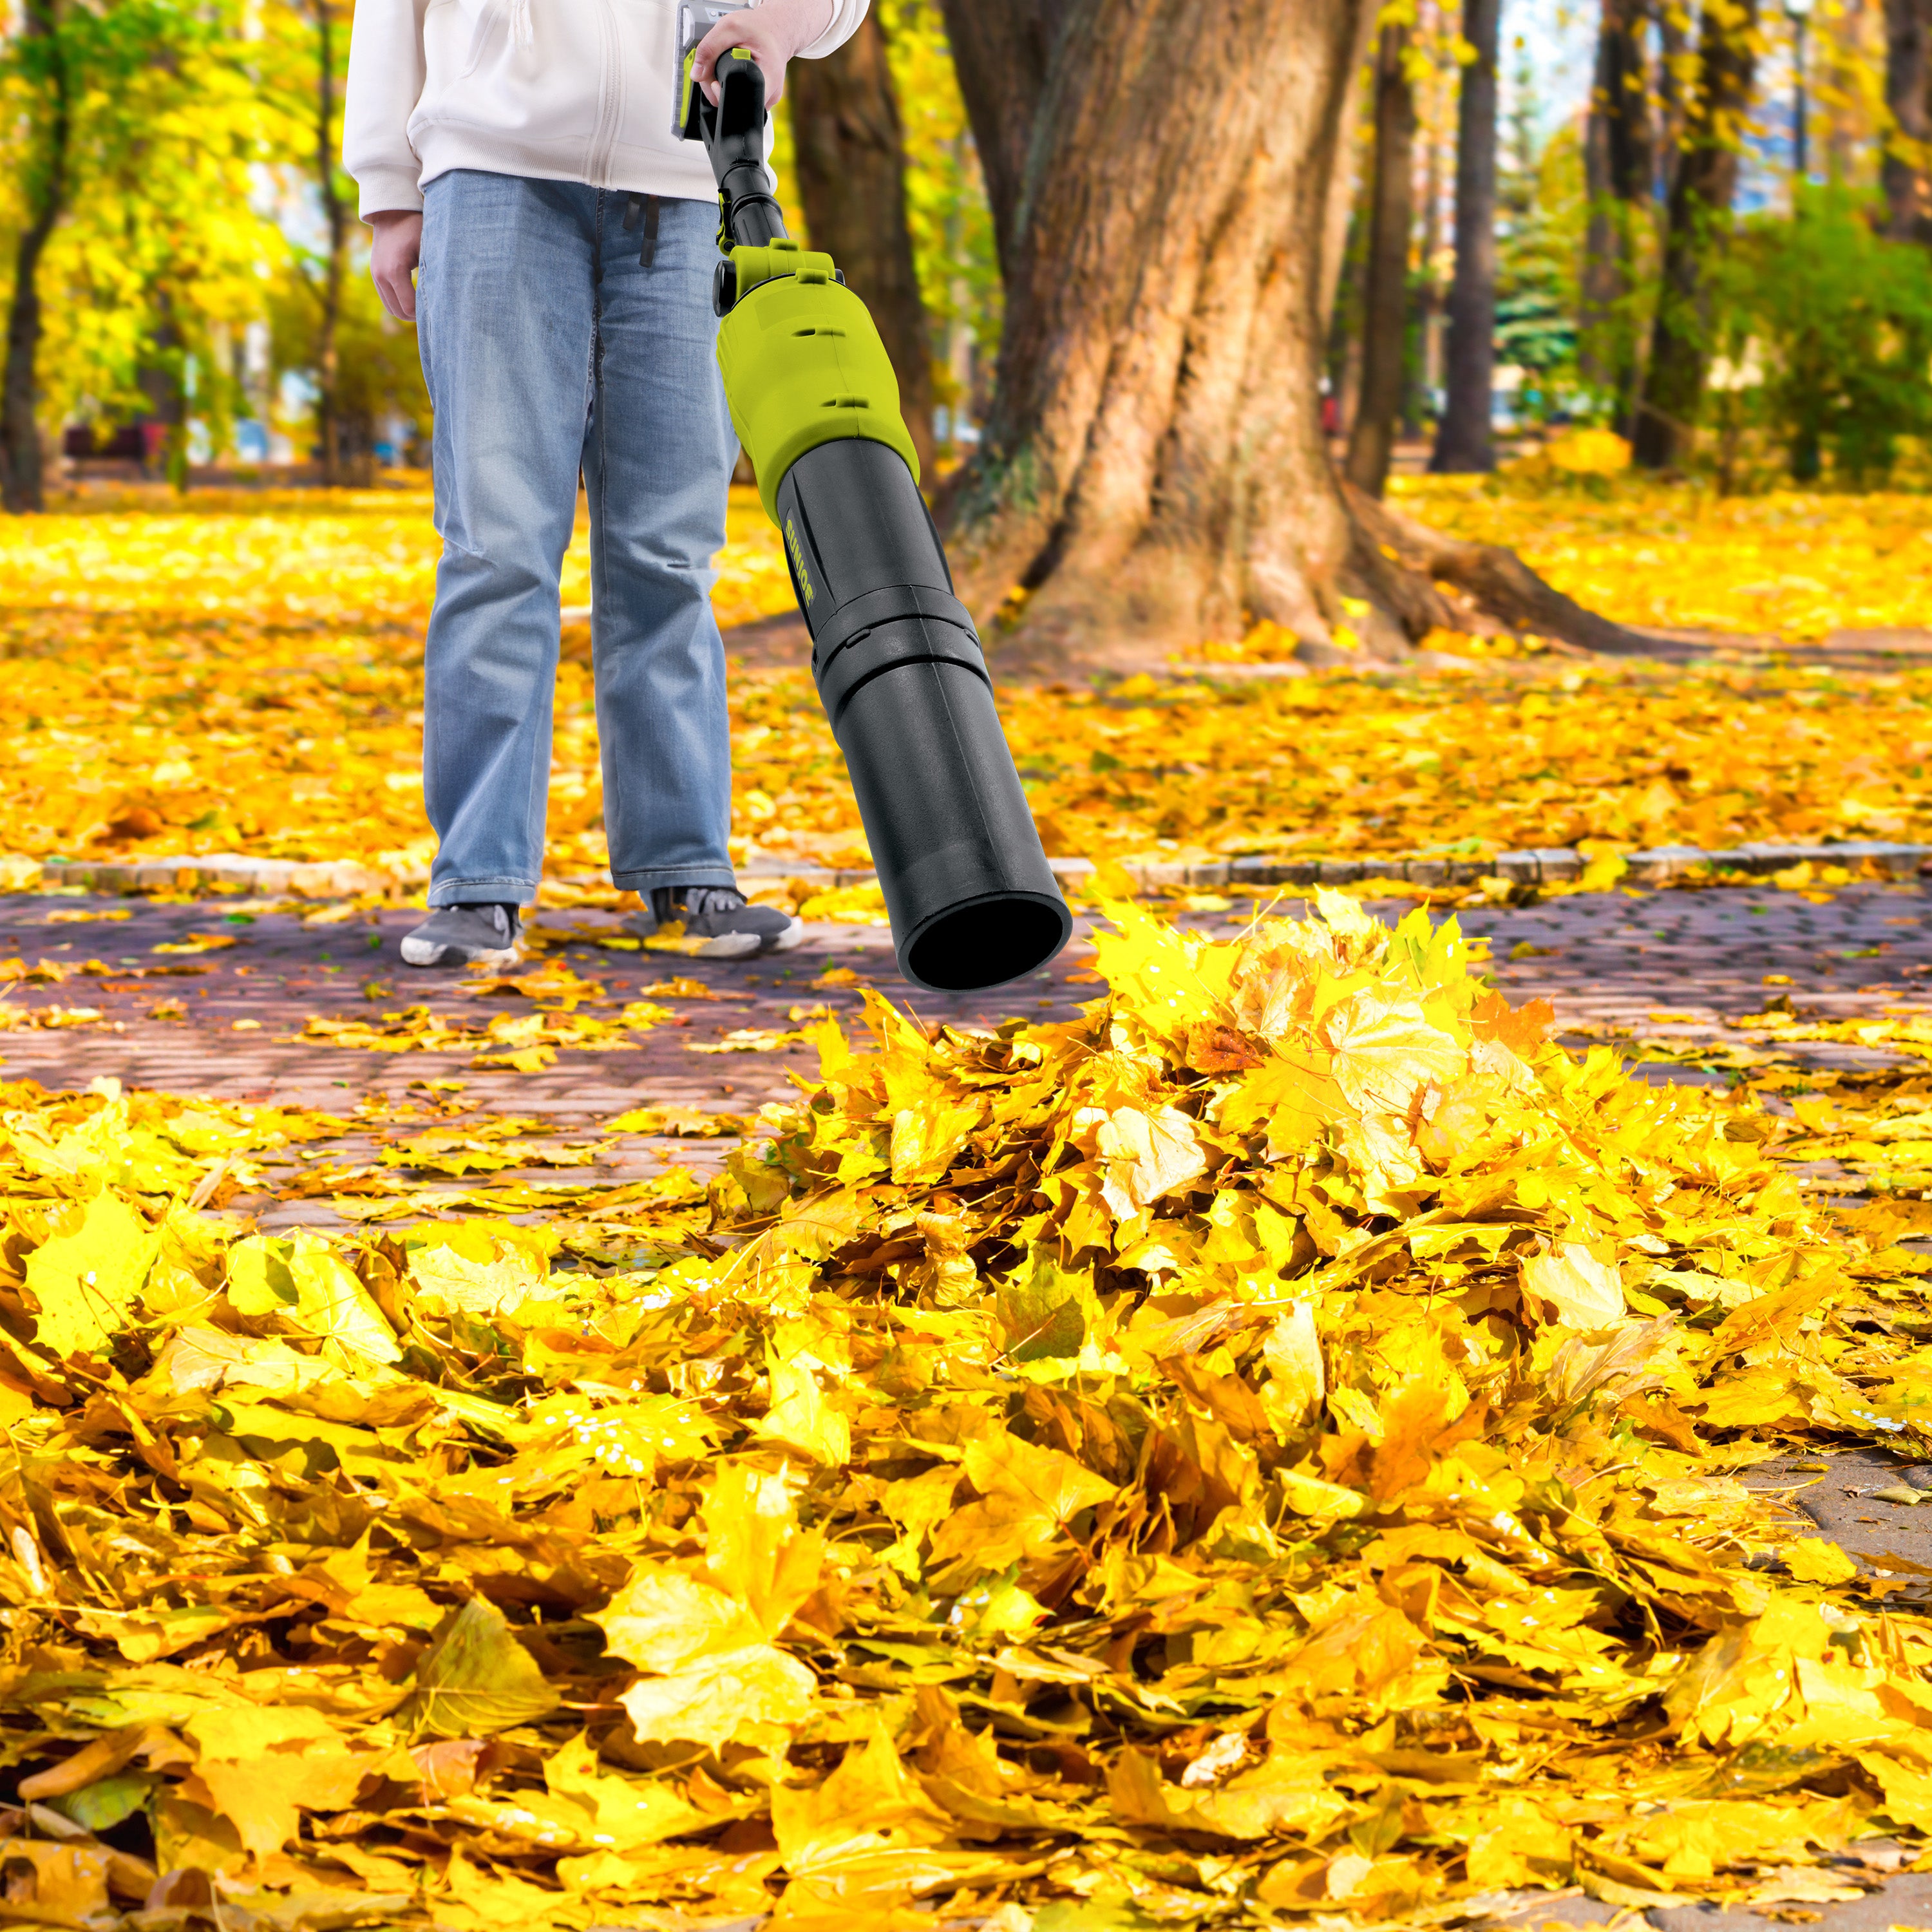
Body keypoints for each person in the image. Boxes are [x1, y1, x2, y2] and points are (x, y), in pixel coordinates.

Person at [343, 0, 866, 967]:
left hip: (687, 186)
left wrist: (783, 27)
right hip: (490, 175)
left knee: (668, 552)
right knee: (495, 544)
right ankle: (478, 883)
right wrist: (391, 191)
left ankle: (686, 870)